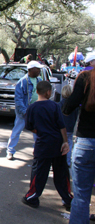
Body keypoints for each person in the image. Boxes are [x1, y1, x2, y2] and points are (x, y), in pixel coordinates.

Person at [22, 81, 73, 209]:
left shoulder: (32, 108)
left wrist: (40, 131)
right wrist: (65, 142)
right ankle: (67, 199)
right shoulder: (54, 106)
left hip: (43, 144)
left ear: (37, 92)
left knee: (40, 172)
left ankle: (32, 197)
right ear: (48, 92)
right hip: (57, 143)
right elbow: (62, 126)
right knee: (61, 173)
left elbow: (29, 126)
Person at [62, 62, 95, 223]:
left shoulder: (86, 78)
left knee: (81, 195)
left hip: (87, 140)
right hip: (85, 141)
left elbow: (68, 107)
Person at [6, 61, 42, 160]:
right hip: (24, 112)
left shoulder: (39, 80)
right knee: (17, 131)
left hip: (36, 111)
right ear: (31, 69)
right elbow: (18, 99)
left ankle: (37, 152)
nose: (39, 71)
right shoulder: (22, 82)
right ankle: (10, 151)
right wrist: (25, 112)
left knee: (37, 133)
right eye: (37, 69)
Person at [58, 85, 78, 167]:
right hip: (70, 128)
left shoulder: (59, 105)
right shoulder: (75, 106)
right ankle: (67, 162)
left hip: (60, 129)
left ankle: (57, 162)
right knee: (69, 145)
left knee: (59, 145)